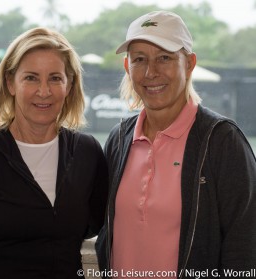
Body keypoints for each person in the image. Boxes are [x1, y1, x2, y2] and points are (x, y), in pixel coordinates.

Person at [95, 11, 256, 279]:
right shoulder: (119, 138)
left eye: (164, 58)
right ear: (127, 67)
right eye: (140, 60)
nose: (151, 72)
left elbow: (245, 248)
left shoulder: (223, 141)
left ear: (190, 63)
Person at [0, 27, 108, 279]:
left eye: (55, 78)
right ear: (10, 83)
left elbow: (95, 223)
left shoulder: (87, 152)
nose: (44, 91)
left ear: (69, 85)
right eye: (31, 78)